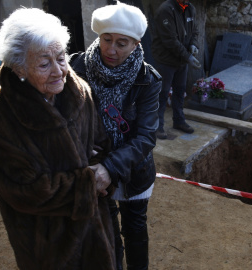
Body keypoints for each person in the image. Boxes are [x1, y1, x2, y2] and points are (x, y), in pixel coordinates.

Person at [0, 8, 116, 270]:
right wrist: (88, 184)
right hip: (47, 244)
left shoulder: (80, 92)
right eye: (43, 63)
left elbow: (101, 144)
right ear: (19, 69)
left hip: (96, 230)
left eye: (61, 58)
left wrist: (106, 169)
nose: (59, 71)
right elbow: (25, 190)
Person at [70, 2, 161, 270]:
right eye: (106, 39)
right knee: (106, 231)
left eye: (122, 43)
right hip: (93, 167)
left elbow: (146, 137)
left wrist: (110, 167)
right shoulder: (77, 68)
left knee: (134, 229)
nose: (111, 50)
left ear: (136, 43)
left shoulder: (148, 79)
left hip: (134, 169)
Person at [151, 0, 201, 139]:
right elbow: (170, 40)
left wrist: (193, 45)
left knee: (180, 91)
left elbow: (195, 31)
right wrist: (188, 57)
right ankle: (157, 126)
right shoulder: (166, 10)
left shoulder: (190, 8)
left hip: (181, 60)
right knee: (162, 93)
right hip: (165, 60)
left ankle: (179, 121)